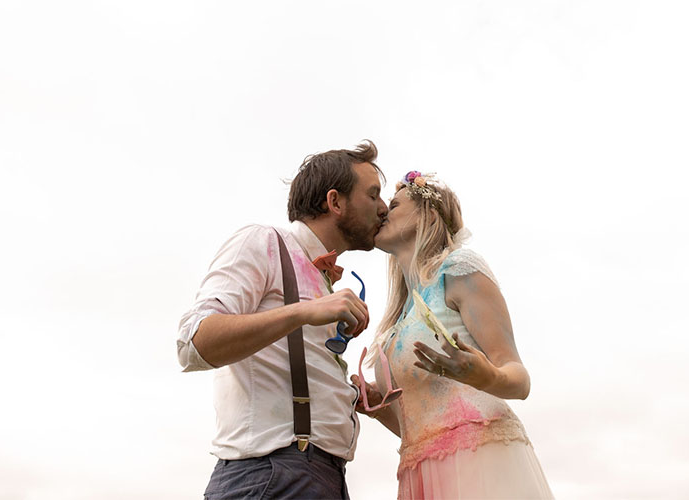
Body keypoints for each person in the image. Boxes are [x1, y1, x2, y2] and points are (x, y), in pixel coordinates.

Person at [177, 140, 388, 500]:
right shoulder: (263, 242)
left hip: (323, 477)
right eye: (373, 196)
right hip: (271, 476)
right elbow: (193, 343)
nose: (384, 209)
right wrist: (304, 312)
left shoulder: (326, 280)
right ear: (335, 202)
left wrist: (350, 395)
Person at [351, 171, 554, 499]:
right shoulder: (397, 321)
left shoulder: (459, 269)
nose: (384, 212)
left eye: (394, 204)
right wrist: (379, 407)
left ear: (426, 214)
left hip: (479, 459)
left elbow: (519, 379)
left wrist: (484, 374)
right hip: (423, 470)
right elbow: (421, 427)